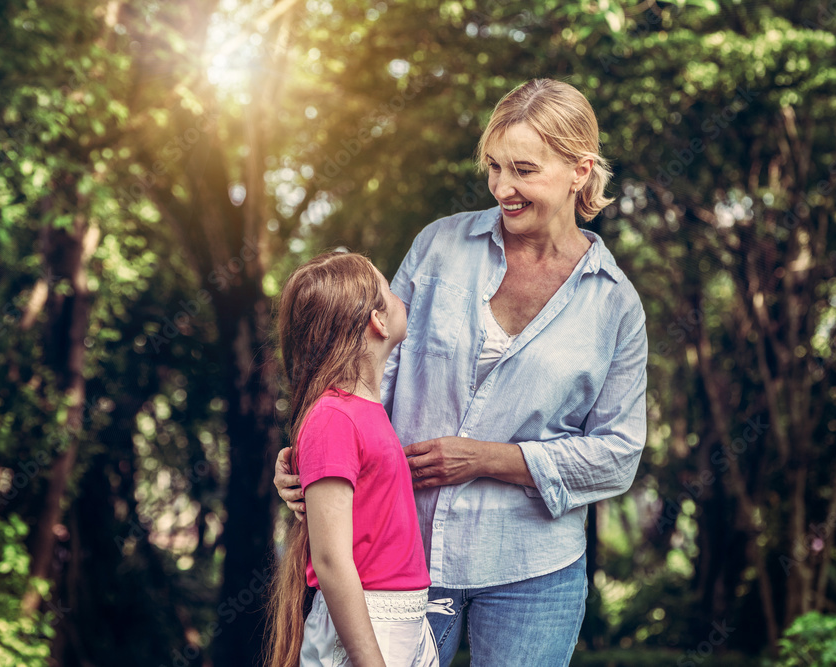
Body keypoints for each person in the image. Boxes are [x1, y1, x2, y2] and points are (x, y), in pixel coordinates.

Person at [275, 78, 648, 666]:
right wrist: (317, 458)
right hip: (402, 554)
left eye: (523, 170)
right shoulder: (439, 248)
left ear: (579, 171)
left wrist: (488, 458)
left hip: (534, 570)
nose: (503, 187)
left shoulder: (614, 305)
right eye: (494, 167)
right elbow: (365, 372)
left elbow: (619, 454)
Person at [265, 252, 453, 667]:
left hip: (399, 619)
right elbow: (331, 560)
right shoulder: (334, 416)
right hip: (367, 625)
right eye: (389, 289)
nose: (399, 294)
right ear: (378, 321)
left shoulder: (365, 412)